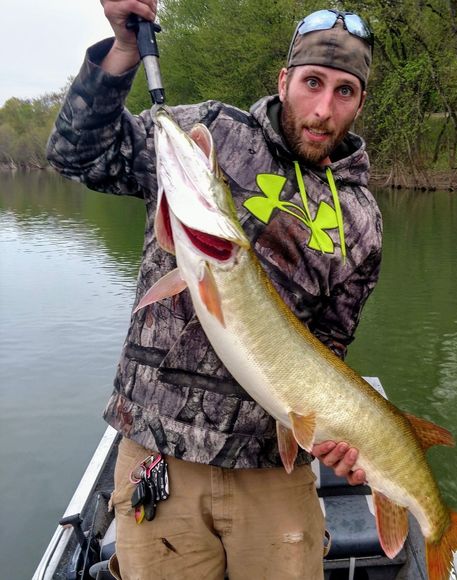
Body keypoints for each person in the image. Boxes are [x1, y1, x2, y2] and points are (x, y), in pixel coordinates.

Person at [47, 1, 383, 578]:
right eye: (312, 82)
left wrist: (339, 437)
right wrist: (124, 50)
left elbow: (330, 345)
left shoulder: (362, 220)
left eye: (344, 91)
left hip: (271, 469)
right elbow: (78, 154)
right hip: (159, 453)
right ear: (284, 79)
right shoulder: (208, 135)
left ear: (360, 102)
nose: (323, 109)